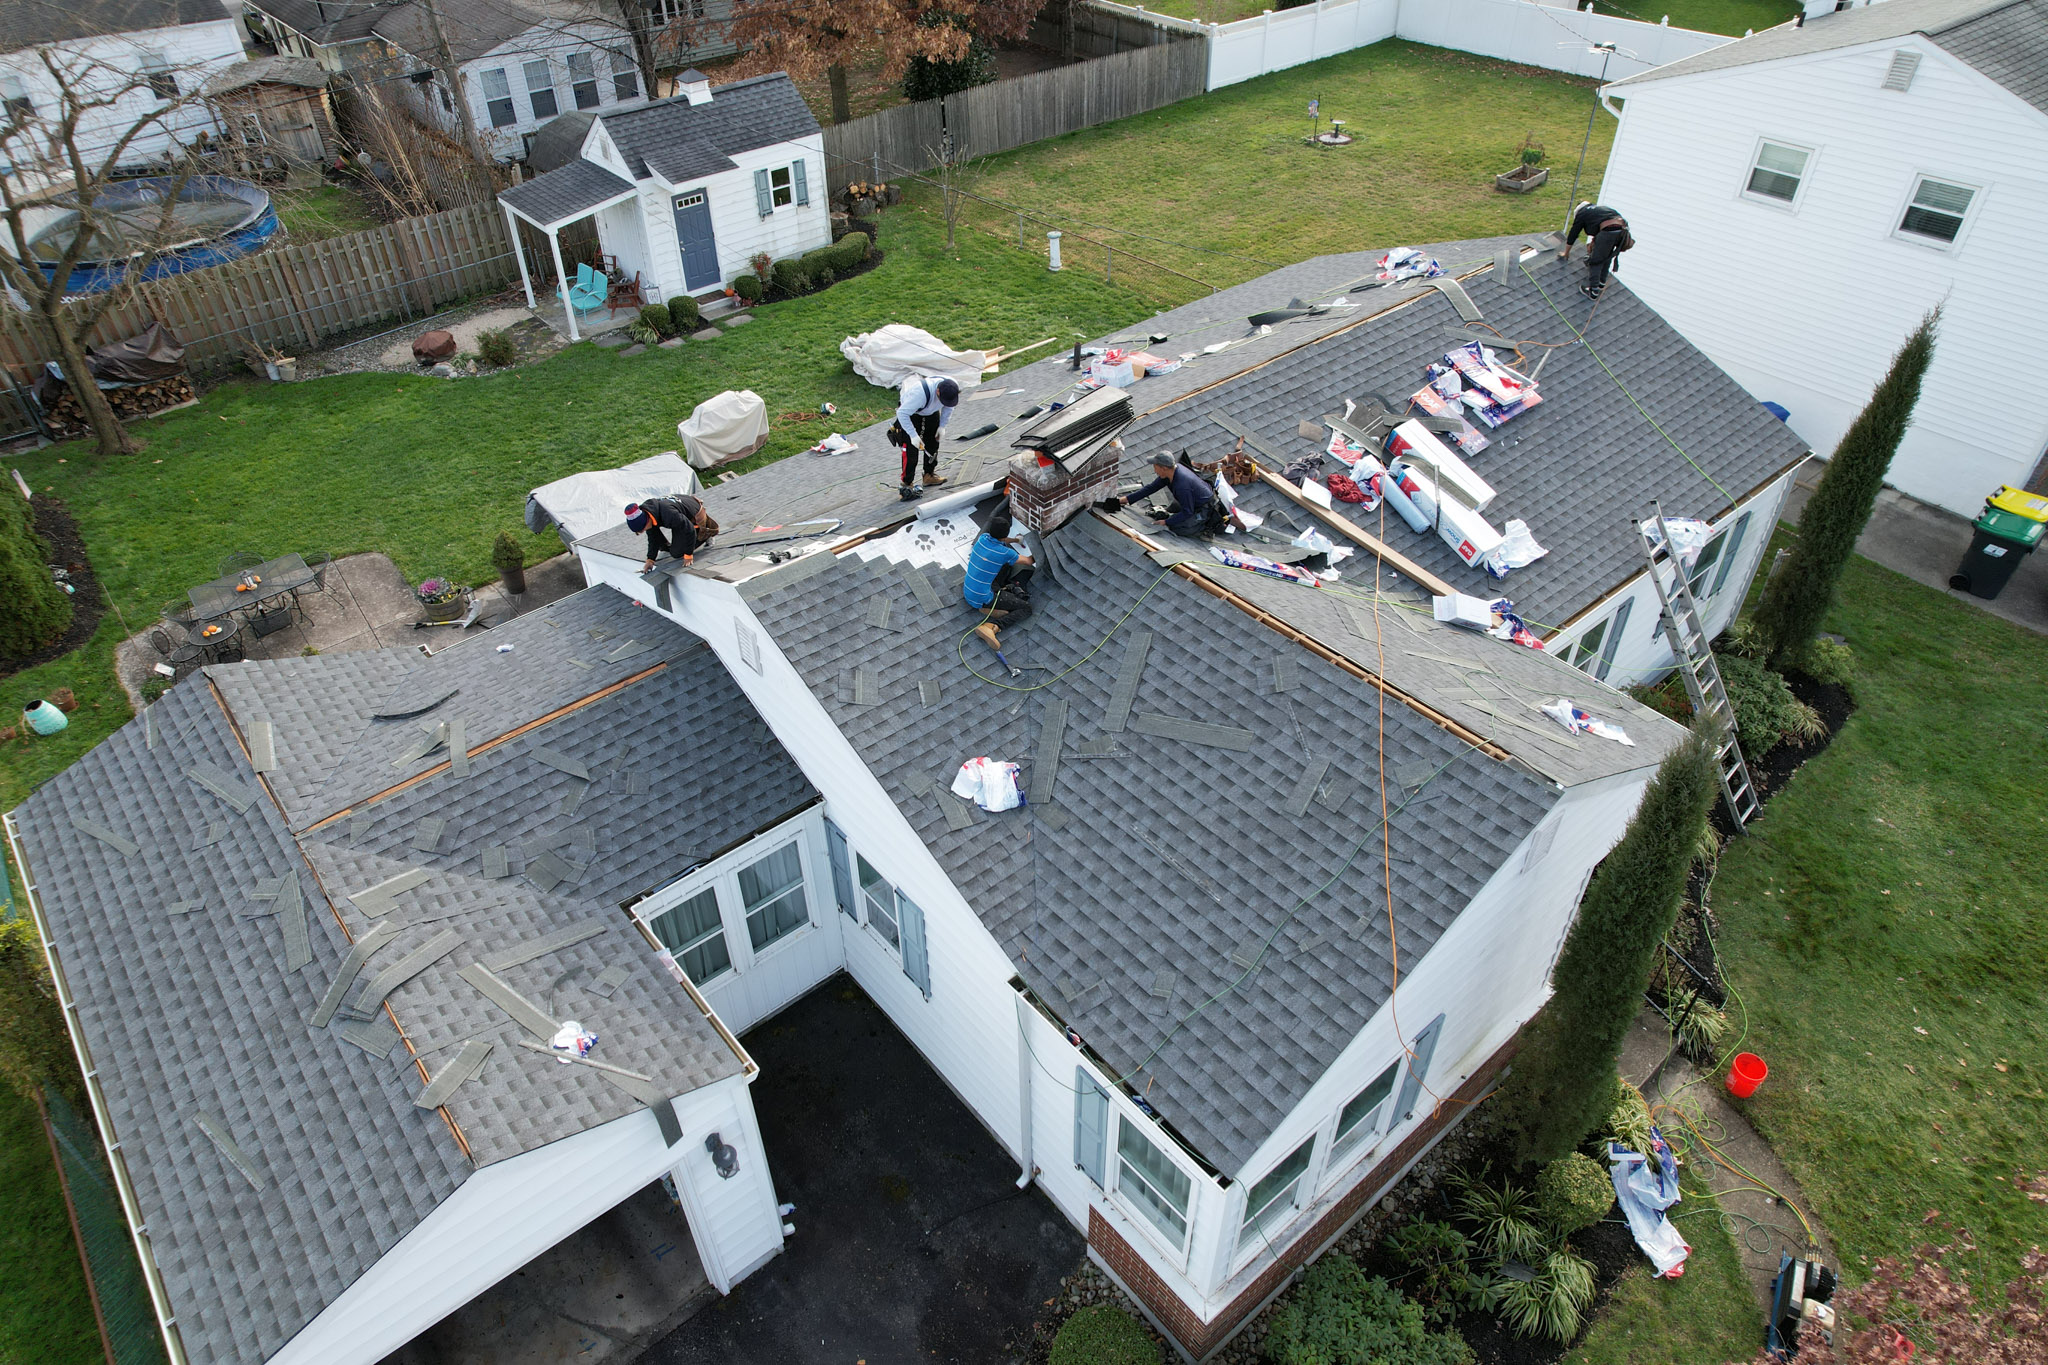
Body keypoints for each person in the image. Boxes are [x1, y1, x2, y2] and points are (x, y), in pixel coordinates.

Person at [1117, 451, 1218, 536]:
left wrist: (1165, 522)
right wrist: (1125, 499)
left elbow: (1188, 511)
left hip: (1204, 507)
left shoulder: (1181, 486)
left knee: (1178, 528)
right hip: (1191, 499)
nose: (1154, 470)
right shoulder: (1169, 473)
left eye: (1155, 467)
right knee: (1173, 510)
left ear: (1164, 468)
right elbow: (1150, 488)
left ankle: (1203, 525)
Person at [893, 374, 960, 499]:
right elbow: (902, 413)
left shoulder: (951, 388)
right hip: (912, 413)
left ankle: (929, 475)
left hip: (931, 411)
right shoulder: (919, 394)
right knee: (910, 450)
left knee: (933, 441)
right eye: (942, 400)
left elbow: (949, 408)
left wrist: (942, 426)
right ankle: (906, 484)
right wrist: (913, 435)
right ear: (938, 391)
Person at [962, 511, 1033, 622]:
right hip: (982, 598)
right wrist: (1041, 549)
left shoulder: (983, 538)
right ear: (1006, 534)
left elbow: (1001, 540)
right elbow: (1028, 561)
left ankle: (989, 603)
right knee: (1026, 608)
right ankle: (994, 625)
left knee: (1005, 565)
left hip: (969, 590)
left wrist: (1016, 540)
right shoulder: (1004, 553)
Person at [1558, 201, 1633, 300]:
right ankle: (1601, 282)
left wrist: (1566, 253)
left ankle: (1593, 291)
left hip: (1609, 231)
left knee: (1595, 261)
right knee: (1606, 255)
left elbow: (1573, 235)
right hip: (1622, 231)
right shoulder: (1601, 210)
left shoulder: (1582, 214)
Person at [627, 494, 716, 571]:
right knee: (653, 532)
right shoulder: (648, 511)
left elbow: (689, 529)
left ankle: (707, 534)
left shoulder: (669, 514)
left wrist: (688, 554)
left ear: (646, 521)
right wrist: (650, 559)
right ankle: (667, 547)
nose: (642, 532)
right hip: (682, 514)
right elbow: (652, 538)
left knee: (676, 553)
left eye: (642, 530)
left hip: (695, 517)